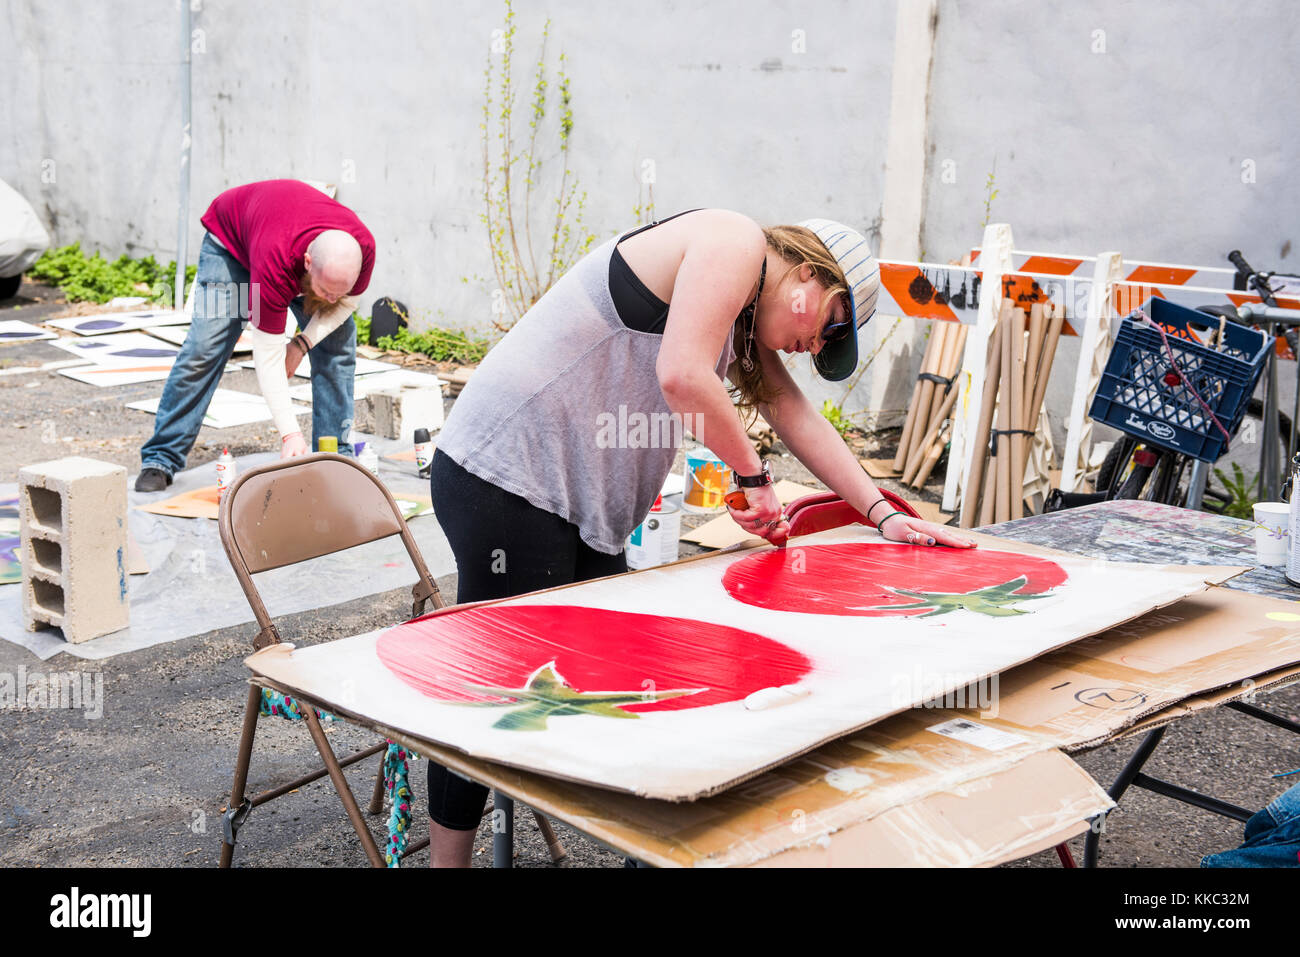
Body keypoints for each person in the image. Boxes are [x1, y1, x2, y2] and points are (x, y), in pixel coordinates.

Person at [426, 207, 976, 866]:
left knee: (588, 678)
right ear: (805, 271)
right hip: (505, 473)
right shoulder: (733, 239)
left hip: (568, 500)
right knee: (501, 692)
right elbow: (683, 374)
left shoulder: (741, 320)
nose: (819, 345)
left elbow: (793, 411)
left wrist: (880, 511)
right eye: (831, 322)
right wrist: (753, 476)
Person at [135, 179, 375, 491]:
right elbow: (268, 355)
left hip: (276, 234)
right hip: (231, 245)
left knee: (337, 348)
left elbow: (345, 303)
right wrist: (290, 434)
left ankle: (334, 460)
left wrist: (302, 343)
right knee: (205, 348)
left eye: (338, 292)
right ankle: (160, 458)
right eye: (326, 292)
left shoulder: (361, 250)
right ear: (307, 264)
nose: (331, 300)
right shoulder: (276, 266)